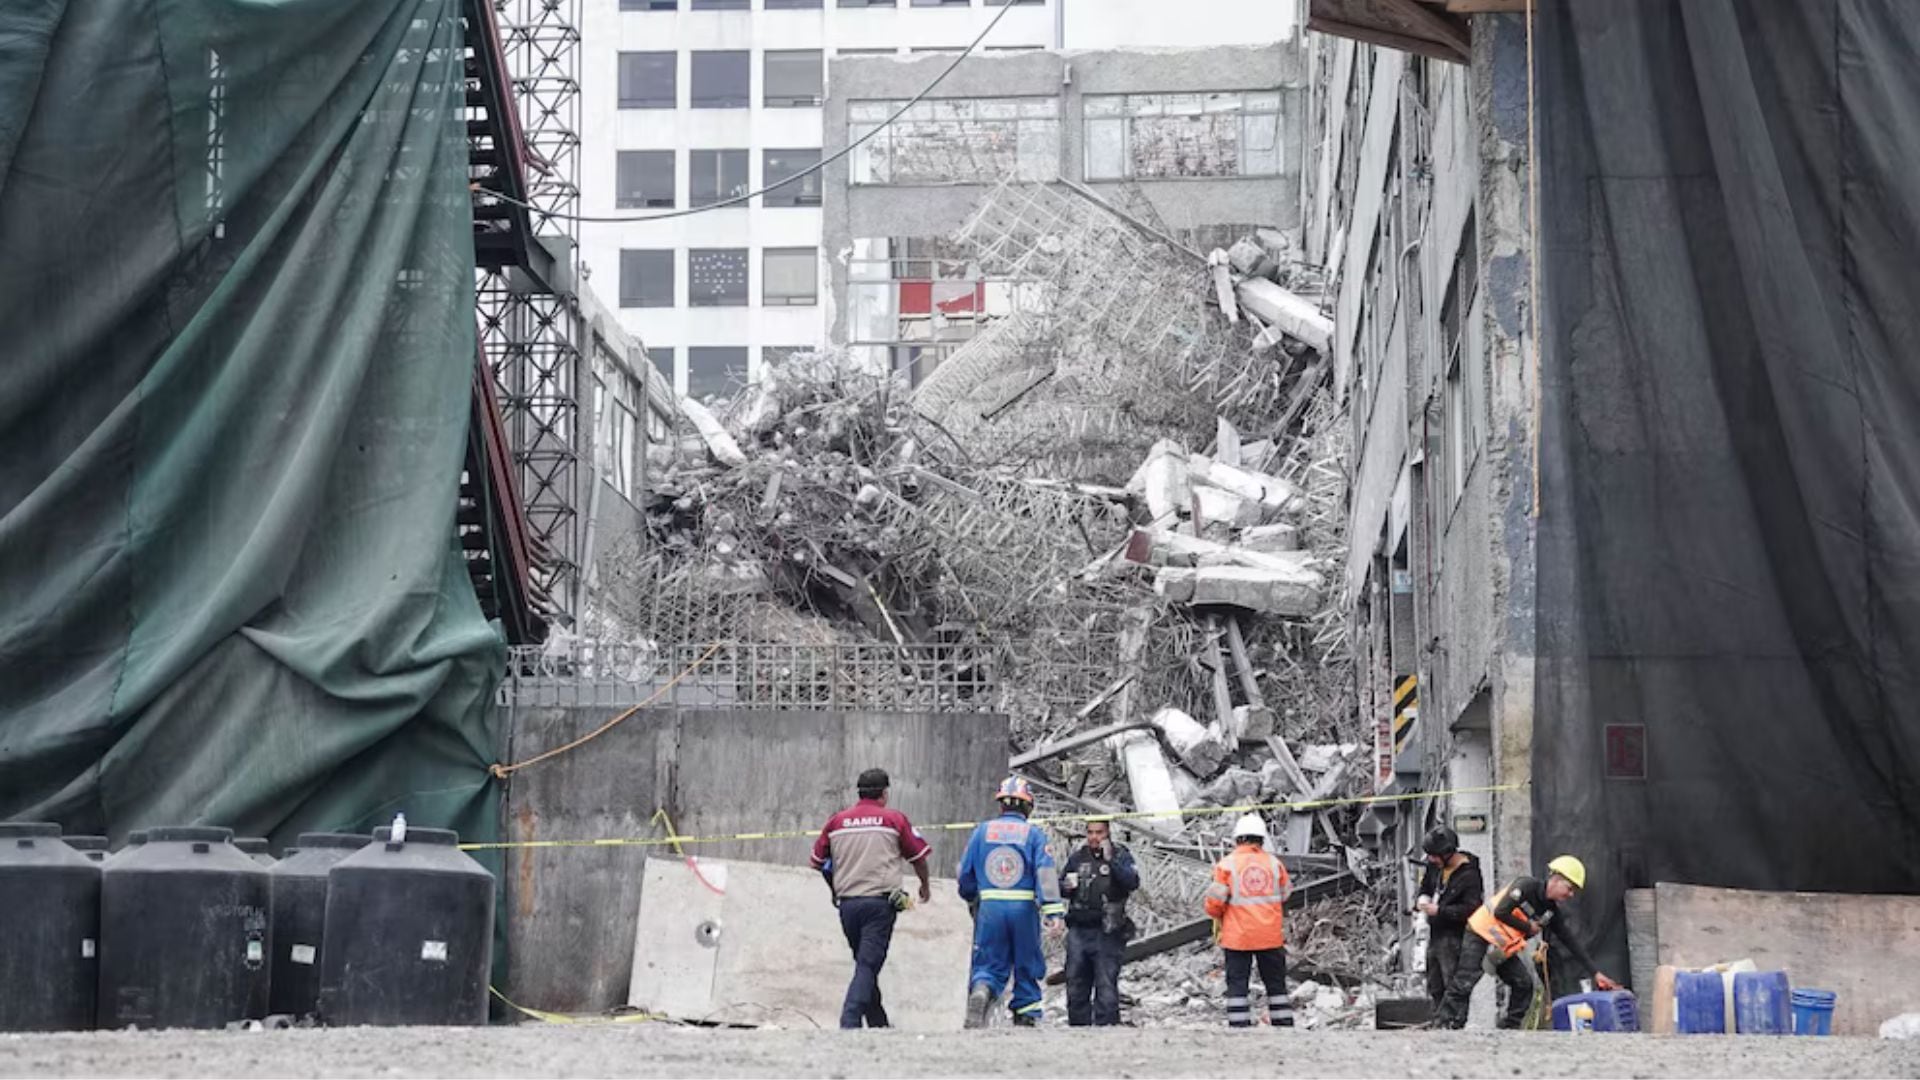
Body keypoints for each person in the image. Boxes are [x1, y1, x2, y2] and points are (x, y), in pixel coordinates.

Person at [1433, 854, 1621, 1029]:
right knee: (1464, 982)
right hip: (1480, 933)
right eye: (1569, 888)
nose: (1570, 895)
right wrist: (1528, 927)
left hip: (1501, 946)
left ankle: (1509, 1029)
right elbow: (1501, 911)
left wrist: (1595, 973)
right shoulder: (1526, 886)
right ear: (1556, 880)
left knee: (1523, 984)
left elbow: (1570, 941)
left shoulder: (1550, 912)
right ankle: (1444, 1025)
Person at [810, 767, 932, 1030]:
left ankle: (878, 1024)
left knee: (865, 964)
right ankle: (849, 1020)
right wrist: (924, 886)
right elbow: (918, 858)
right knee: (868, 964)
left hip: (848, 905)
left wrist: (835, 890)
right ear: (884, 793)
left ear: (859, 792)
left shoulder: (836, 822)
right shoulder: (894, 820)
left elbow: (820, 862)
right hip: (879, 904)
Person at [957, 776, 1065, 1028]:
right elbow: (1045, 873)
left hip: (991, 907)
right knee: (1027, 963)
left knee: (989, 962)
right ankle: (1025, 1016)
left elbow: (965, 874)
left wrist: (972, 897)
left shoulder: (982, 831)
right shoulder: (1034, 835)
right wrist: (1053, 912)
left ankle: (982, 989)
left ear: (1001, 805)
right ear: (1028, 806)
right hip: (1023, 908)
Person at [1203, 813, 1293, 1029]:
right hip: (1270, 936)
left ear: (1238, 839)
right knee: (1276, 985)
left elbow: (1214, 904)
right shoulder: (1274, 864)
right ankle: (1283, 1026)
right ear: (1262, 839)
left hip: (1238, 938)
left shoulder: (1226, 865)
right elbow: (1286, 893)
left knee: (1237, 985)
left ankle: (1239, 1027)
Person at [1059, 819, 1139, 1026]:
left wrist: (1112, 860)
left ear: (1108, 834)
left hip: (1107, 931)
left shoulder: (1121, 855)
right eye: (1091, 832)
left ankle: (1107, 1029)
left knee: (1106, 984)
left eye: (1099, 832)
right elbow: (1060, 887)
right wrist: (1067, 886)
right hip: (1078, 929)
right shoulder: (1078, 858)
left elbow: (1132, 882)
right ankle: (1078, 1028)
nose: (1095, 837)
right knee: (1076, 982)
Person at [1412, 825, 1484, 1010]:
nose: (1430, 859)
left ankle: (1454, 1022)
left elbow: (1471, 909)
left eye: (1434, 855)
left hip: (1454, 935)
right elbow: (1426, 886)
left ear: (1447, 853)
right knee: (1434, 983)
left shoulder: (1469, 875)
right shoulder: (1435, 867)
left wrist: (1440, 911)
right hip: (1435, 932)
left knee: (1451, 982)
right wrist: (1422, 899)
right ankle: (1438, 1019)